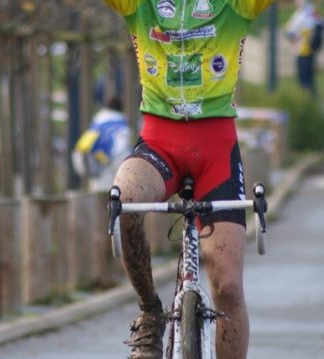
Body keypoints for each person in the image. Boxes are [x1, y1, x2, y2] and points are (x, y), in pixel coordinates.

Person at [101, 0, 275, 357]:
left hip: (216, 151)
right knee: (126, 197)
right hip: (158, 145)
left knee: (227, 287)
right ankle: (150, 313)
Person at [71, 97, 132, 192]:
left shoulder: (96, 123)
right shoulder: (121, 126)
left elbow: (81, 148)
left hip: (92, 166)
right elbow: (121, 151)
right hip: (109, 168)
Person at [284, 0, 324, 95]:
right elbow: (290, 30)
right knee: (302, 78)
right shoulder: (299, 14)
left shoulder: (308, 13)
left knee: (307, 79)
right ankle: (305, 98)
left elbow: (320, 24)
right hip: (299, 50)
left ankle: (310, 99)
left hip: (306, 51)